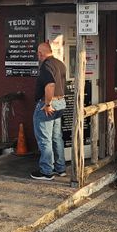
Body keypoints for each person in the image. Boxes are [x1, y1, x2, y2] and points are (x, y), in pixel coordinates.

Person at [31, 41, 67, 180]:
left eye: (38, 53)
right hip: (61, 102)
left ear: (41, 53)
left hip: (48, 105)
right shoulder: (60, 63)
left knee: (44, 139)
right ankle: (60, 168)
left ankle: (46, 171)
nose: (37, 55)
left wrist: (47, 104)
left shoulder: (46, 65)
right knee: (56, 137)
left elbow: (50, 85)